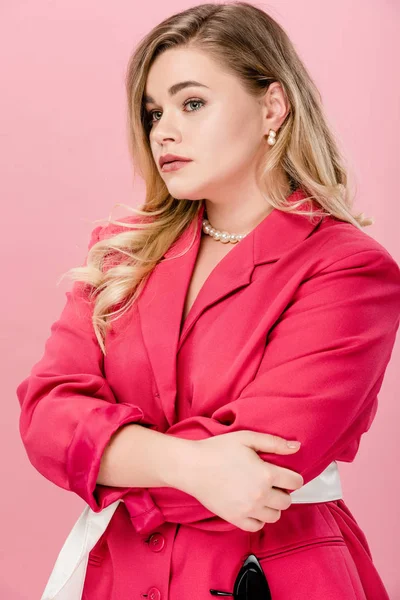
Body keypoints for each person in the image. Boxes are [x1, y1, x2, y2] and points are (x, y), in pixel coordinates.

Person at [16, 2, 400, 599]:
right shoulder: (120, 255)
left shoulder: (349, 269)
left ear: (272, 106)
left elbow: (263, 467)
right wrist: (189, 466)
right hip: (117, 579)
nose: (163, 130)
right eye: (154, 112)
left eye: (192, 103)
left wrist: (102, 454)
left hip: (269, 578)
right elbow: (45, 417)